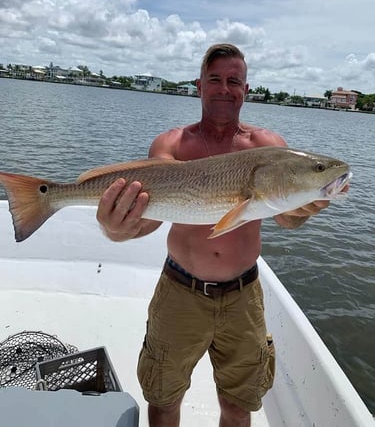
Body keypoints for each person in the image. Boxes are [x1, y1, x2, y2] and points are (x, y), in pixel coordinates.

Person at [96, 44, 331, 427]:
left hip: (244, 297)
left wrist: (303, 209)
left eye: (233, 80)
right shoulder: (170, 145)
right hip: (180, 293)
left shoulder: (269, 147)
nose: (225, 88)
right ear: (199, 86)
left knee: (239, 407)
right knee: (163, 400)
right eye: (215, 79)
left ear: (246, 89)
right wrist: (115, 229)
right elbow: (151, 219)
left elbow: (286, 220)